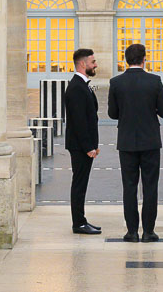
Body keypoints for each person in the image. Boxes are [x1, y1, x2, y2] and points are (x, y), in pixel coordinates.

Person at [108, 43, 163, 243]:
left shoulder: (116, 82)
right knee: (150, 186)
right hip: (150, 140)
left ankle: (132, 231)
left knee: (129, 187)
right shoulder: (154, 81)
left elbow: (112, 113)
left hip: (126, 141)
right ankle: (149, 231)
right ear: (145, 59)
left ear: (125, 59)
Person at [65, 48, 101, 235]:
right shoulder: (77, 87)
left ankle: (81, 219)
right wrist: (88, 147)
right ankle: (78, 223)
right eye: (93, 62)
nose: (95, 65)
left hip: (83, 145)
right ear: (82, 64)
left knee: (81, 183)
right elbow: (79, 121)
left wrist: (94, 145)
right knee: (79, 184)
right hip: (79, 147)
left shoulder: (81, 84)